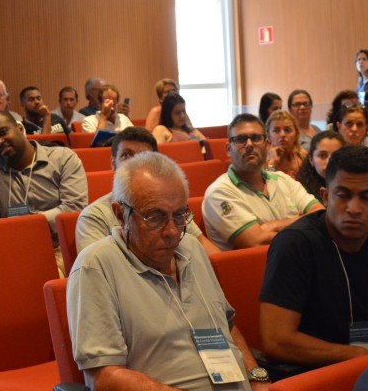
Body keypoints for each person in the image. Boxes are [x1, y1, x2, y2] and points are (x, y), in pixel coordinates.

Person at [68, 151, 270, 390]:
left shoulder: (192, 248)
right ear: (121, 215)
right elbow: (103, 377)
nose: (172, 231)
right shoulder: (96, 265)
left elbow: (227, 325)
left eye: (179, 216)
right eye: (155, 217)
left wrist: (258, 379)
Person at [260, 145, 368, 369]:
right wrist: (358, 357)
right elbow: (277, 341)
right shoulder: (295, 244)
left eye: (367, 197)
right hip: (304, 372)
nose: (354, 208)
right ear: (325, 197)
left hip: (361, 366)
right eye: (343, 196)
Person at [75, 126, 219, 255]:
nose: (135, 163)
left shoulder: (171, 208)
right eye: (127, 155)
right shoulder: (94, 217)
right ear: (113, 163)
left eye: (144, 156)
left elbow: (204, 247)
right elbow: (100, 273)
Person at [0, 111, 87, 271]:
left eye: (3, 132)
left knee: (41, 274)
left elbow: (74, 207)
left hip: (60, 246)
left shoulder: (63, 158)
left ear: (20, 129)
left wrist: (28, 225)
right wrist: (14, 233)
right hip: (12, 248)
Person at [202, 114, 323, 251]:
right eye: (240, 139)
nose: (249, 145)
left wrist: (274, 226)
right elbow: (257, 242)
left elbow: (320, 214)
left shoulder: (283, 180)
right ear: (229, 149)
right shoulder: (220, 192)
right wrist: (304, 223)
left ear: (266, 146)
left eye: (256, 138)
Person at [296, 130, 344, 201]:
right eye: (322, 156)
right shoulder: (300, 190)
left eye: (336, 156)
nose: (329, 162)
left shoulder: (354, 185)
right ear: (311, 159)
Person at [265, 110, 306, 178]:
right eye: (276, 131)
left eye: (287, 130)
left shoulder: (303, 157)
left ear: (296, 134)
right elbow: (267, 185)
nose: (282, 134)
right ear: (268, 136)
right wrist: (272, 163)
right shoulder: (262, 161)